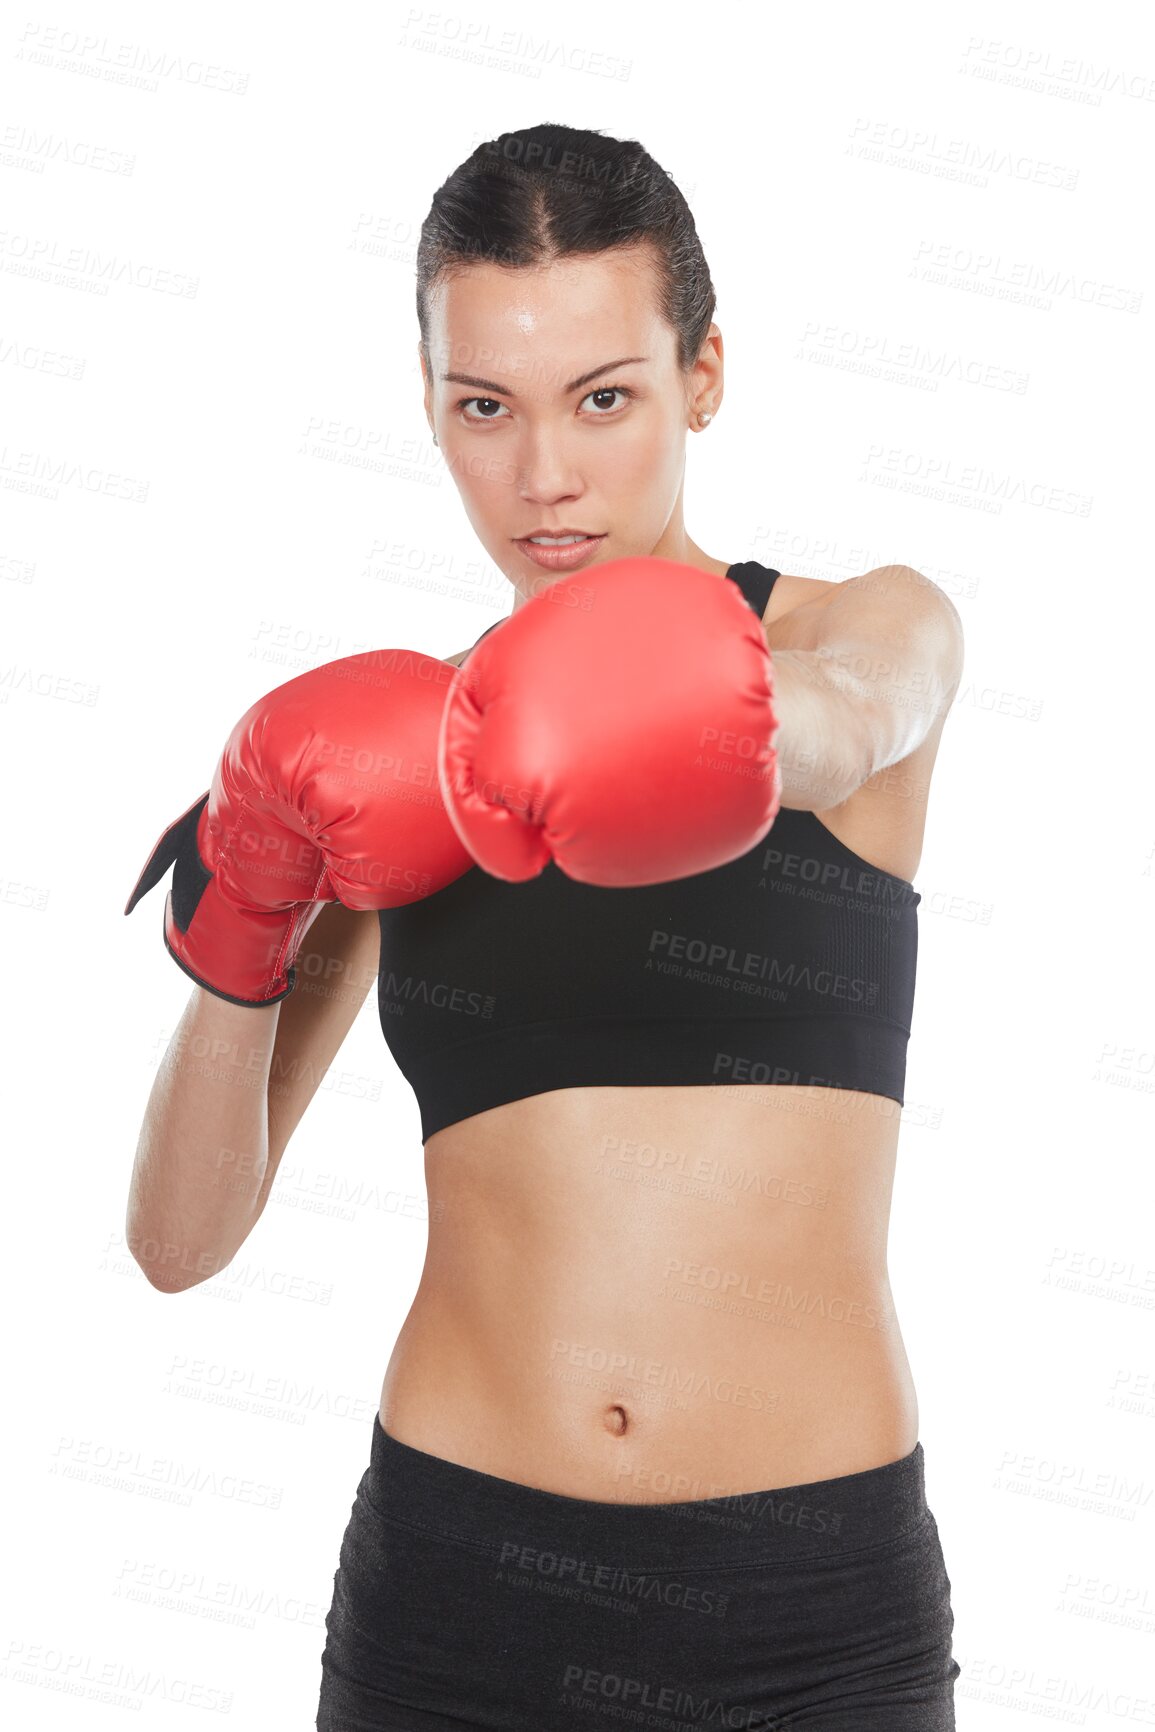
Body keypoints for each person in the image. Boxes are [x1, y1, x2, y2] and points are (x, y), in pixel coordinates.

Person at [126, 122, 965, 1730]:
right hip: (457, 1594)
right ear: (432, 405)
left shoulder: (864, 626)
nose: (547, 479)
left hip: (813, 1609)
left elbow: (855, 722)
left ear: (702, 374)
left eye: (606, 397)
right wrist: (245, 908)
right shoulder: (407, 765)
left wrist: (695, 717)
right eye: (483, 410)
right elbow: (180, 1244)